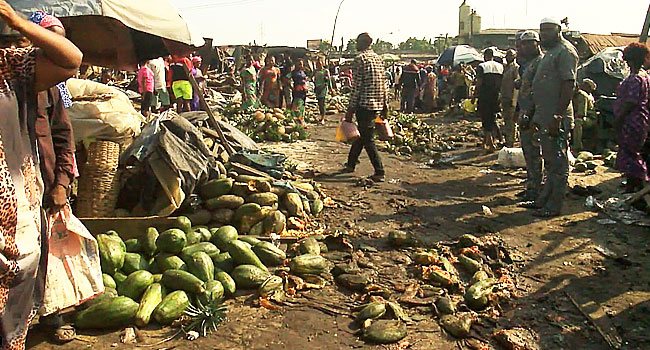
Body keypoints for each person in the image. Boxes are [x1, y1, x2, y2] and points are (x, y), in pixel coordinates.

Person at [0, 2, 82, 349]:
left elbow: (70, 59)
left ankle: (47, 319)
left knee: (30, 269)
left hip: (22, 202)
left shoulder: (12, 70)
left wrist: (17, 21)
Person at [525, 17, 579, 217]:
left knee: (558, 164)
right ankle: (542, 201)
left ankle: (554, 206)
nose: (543, 34)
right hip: (545, 117)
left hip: (557, 118)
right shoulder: (550, 53)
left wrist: (557, 115)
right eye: (542, 30)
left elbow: (568, 85)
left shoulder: (565, 52)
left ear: (559, 30)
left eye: (548, 30)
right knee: (549, 162)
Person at [342, 33, 387, 182]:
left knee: (367, 138)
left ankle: (379, 171)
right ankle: (350, 164)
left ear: (362, 43)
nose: (356, 45)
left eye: (357, 42)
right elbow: (383, 84)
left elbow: (357, 87)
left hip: (364, 104)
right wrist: (385, 105)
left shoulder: (359, 60)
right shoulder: (378, 58)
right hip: (377, 104)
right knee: (362, 135)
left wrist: (350, 109)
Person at [614, 43, 650, 193]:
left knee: (631, 153)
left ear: (631, 60)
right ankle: (633, 184)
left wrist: (619, 118)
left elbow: (630, 102)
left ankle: (639, 185)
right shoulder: (645, 77)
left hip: (632, 121)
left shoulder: (636, 79)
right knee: (632, 152)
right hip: (640, 120)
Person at [516, 30, 544, 202]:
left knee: (534, 152)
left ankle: (536, 188)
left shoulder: (541, 62)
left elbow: (539, 90)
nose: (524, 47)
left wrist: (530, 113)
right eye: (523, 44)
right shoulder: (530, 63)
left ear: (536, 44)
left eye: (528, 43)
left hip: (534, 115)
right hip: (526, 112)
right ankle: (531, 185)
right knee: (528, 151)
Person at [474, 49, 504, 151]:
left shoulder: (482, 66)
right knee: (492, 118)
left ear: (484, 56)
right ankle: (486, 142)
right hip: (496, 96)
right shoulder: (500, 66)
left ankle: (491, 144)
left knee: (486, 119)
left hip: (484, 96)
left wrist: (474, 96)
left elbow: (479, 82)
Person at [501, 49, 519, 147]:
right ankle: (508, 139)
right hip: (504, 97)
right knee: (506, 120)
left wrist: (514, 101)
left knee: (512, 121)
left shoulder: (515, 68)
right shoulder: (505, 68)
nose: (508, 57)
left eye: (510, 55)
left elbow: (517, 86)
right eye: (507, 55)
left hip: (511, 98)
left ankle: (511, 141)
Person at [572, 78, 597, 150]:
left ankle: (577, 146)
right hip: (578, 115)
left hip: (590, 118)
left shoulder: (582, 95)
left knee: (577, 122)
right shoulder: (573, 95)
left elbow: (581, 113)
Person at [314, 58, 332, 124]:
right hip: (317, 88)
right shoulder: (315, 71)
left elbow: (328, 80)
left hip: (323, 88)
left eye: (319, 63)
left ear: (322, 63)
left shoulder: (325, 71)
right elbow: (313, 78)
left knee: (322, 103)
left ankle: (323, 118)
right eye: (317, 63)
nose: (318, 64)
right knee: (319, 103)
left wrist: (331, 89)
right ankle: (321, 116)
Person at [291, 58, 308, 125]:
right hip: (297, 92)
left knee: (302, 106)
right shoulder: (293, 73)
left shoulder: (303, 72)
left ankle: (302, 121)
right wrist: (292, 87)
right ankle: (297, 121)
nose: (300, 65)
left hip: (303, 91)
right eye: (299, 64)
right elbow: (286, 78)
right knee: (297, 105)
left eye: (301, 64)